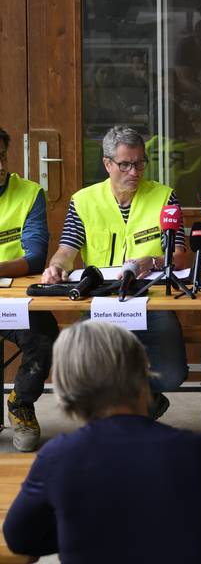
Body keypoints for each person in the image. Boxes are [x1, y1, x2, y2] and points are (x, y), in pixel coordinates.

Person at [2, 320, 201, 564]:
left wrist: (84, 527)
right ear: (144, 374)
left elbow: (19, 538)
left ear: (66, 388)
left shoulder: (58, 458)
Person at [42, 125, 188, 418]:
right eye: (125, 164)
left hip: (151, 298)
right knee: (83, 368)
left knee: (172, 374)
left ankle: (138, 405)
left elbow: (180, 257)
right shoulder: (83, 201)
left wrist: (153, 262)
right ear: (107, 163)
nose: (135, 172)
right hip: (101, 299)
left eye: (140, 163)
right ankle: (131, 417)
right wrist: (56, 267)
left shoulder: (164, 197)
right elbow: (67, 250)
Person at [0, 128, 58, 452]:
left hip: (12, 299)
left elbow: (35, 257)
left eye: (0, 155)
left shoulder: (29, 193)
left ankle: (20, 402)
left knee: (44, 334)